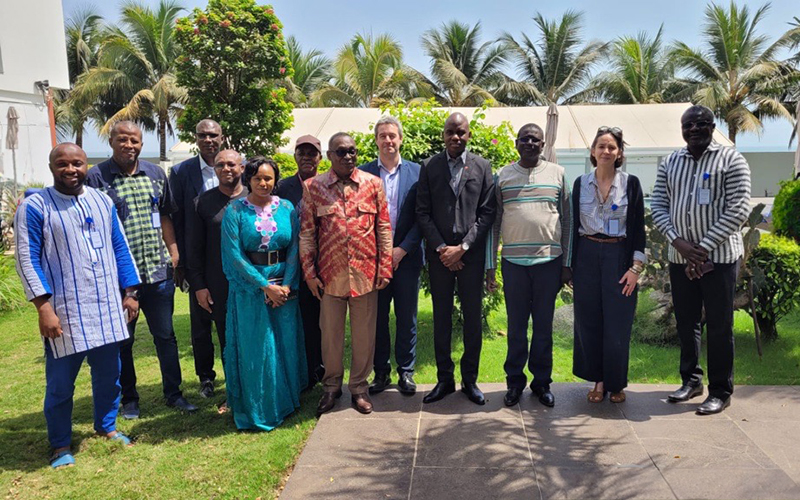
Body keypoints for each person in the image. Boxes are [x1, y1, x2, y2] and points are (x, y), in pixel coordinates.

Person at [15, 143, 141, 468]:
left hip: (106, 307)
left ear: (87, 165)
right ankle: (59, 444)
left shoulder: (102, 200)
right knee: (60, 385)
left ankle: (106, 427)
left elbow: (120, 247)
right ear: (51, 166)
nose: (70, 169)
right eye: (62, 164)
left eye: (77, 163)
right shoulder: (35, 206)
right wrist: (43, 307)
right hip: (65, 312)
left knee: (109, 376)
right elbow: (27, 259)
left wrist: (130, 292)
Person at [86, 120, 197, 418]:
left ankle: (174, 394)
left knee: (166, 337)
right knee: (124, 340)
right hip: (121, 281)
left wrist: (174, 255)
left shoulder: (156, 174)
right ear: (111, 142)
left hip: (158, 273)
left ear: (140, 144)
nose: (129, 146)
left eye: (134, 141)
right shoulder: (96, 179)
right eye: (123, 140)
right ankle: (129, 399)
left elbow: (164, 217)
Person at [651, 105, 751, 415]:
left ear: (712, 126)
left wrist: (703, 247)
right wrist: (679, 243)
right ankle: (691, 380)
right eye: (688, 125)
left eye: (701, 124)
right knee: (686, 321)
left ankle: (721, 390)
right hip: (680, 258)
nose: (694, 129)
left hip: (719, 258)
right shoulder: (670, 162)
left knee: (720, 325)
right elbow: (658, 205)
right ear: (682, 129)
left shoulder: (732, 159)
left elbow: (739, 208)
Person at [300, 132, 393, 415]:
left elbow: (384, 228)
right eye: (341, 152)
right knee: (330, 335)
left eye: (352, 151)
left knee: (365, 335)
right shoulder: (313, 187)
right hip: (330, 276)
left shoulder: (372, 184)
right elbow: (307, 233)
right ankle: (331, 388)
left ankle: (359, 388)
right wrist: (309, 272)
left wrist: (385, 267)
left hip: (366, 273)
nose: (348, 157)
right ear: (329, 156)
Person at [486, 123, 572, 408]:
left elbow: (568, 220)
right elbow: (495, 223)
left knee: (544, 327)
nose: (531, 144)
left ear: (543, 144)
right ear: (516, 143)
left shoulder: (558, 174)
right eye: (525, 139)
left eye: (536, 140)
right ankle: (514, 382)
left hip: (549, 263)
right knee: (516, 327)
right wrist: (491, 265)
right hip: (514, 264)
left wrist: (567, 263)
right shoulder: (503, 177)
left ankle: (541, 383)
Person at [220, 156, 308, 430]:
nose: (263, 183)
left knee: (285, 342)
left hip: (285, 286)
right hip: (251, 289)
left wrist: (287, 285)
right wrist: (264, 286)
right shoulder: (235, 212)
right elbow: (234, 255)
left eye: (268, 178)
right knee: (259, 347)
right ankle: (262, 408)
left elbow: (295, 246)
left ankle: (288, 400)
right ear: (248, 179)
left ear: (275, 180)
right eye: (257, 178)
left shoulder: (287, 208)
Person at [416, 112, 496, 405]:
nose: (455, 137)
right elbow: (422, 212)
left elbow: (487, 213)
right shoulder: (430, 167)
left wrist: (462, 247)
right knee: (442, 319)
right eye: (451, 132)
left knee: (473, 320)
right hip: (439, 259)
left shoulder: (483, 167)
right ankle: (444, 379)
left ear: (469, 135)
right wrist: (442, 249)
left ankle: (470, 381)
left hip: (470, 258)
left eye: (461, 132)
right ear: (443, 135)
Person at [571, 126, 646, 404]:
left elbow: (639, 228)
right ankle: (598, 381)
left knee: (617, 324)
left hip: (619, 257)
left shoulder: (631, 183)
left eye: (612, 147)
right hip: (587, 256)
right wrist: (571, 268)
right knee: (589, 322)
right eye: (601, 146)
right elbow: (573, 227)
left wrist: (635, 268)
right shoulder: (580, 183)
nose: (606, 151)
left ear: (619, 153)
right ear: (592, 151)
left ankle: (617, 383)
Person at [359, 116, 423, 396]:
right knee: (378, 317)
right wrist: (380, 252)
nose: (388, 140)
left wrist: (402, 249)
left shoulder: (418, 173)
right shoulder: (362, 174)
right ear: (376, 140)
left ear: (400, 139)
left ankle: (406, 372)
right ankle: (381, 372)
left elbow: (423, 216)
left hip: (407, 257)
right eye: (382, 136)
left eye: (392, 135)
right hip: (373, 260)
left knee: (407, 316)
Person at [185, 149, 247, 408]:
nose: (226, 169)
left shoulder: (254, 199)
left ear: (242, 167)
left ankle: (249, 383)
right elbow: (193, 249)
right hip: (217, 283)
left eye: (231, 164)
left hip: (250, 283)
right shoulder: (202, 203)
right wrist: (198, 286)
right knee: (225, 337)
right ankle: (230, 388)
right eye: (220, 165)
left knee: (248, 334)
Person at [169, 119, 224, 398]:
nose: (208, 140)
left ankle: (235, 371)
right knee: (201, 324)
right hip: (197, 259)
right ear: (196, 138)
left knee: (231, 320)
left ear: (222, 137)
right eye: (202, 135)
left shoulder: (234, 166)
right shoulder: (181, 172)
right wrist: (180, 261)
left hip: (231, 257)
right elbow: (176, 217)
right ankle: (206, 378)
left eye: (213, 135)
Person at [275, 135, 324, 388]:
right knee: (297, 321)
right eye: (301, 153)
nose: (307, 157)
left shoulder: (327, 185)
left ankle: (321, 369)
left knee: (321, 322)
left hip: (322, 266)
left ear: (320, 157)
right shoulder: (282, 188)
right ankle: (300, 373)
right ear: (294, 156)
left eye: (312, 153)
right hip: (291, 268)